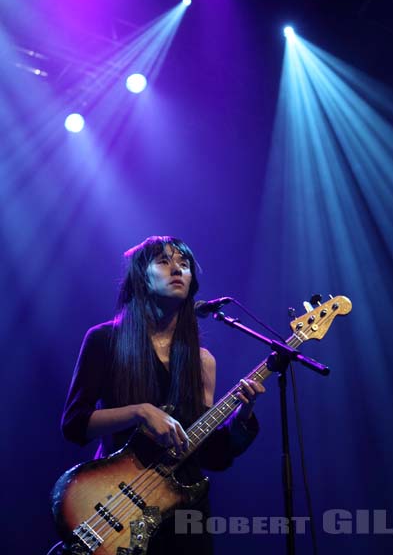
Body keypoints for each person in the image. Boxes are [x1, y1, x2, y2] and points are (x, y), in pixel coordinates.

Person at [61, 235, 265, 554]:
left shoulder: (202, 361)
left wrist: (243, 415)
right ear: (141, 276)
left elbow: (212, 455)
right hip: (119, 501)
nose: (177, 270)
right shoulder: (104, 340)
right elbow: (75, 425)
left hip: (185, 514)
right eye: (165, 261)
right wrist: (141, 411)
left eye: (184, 264)